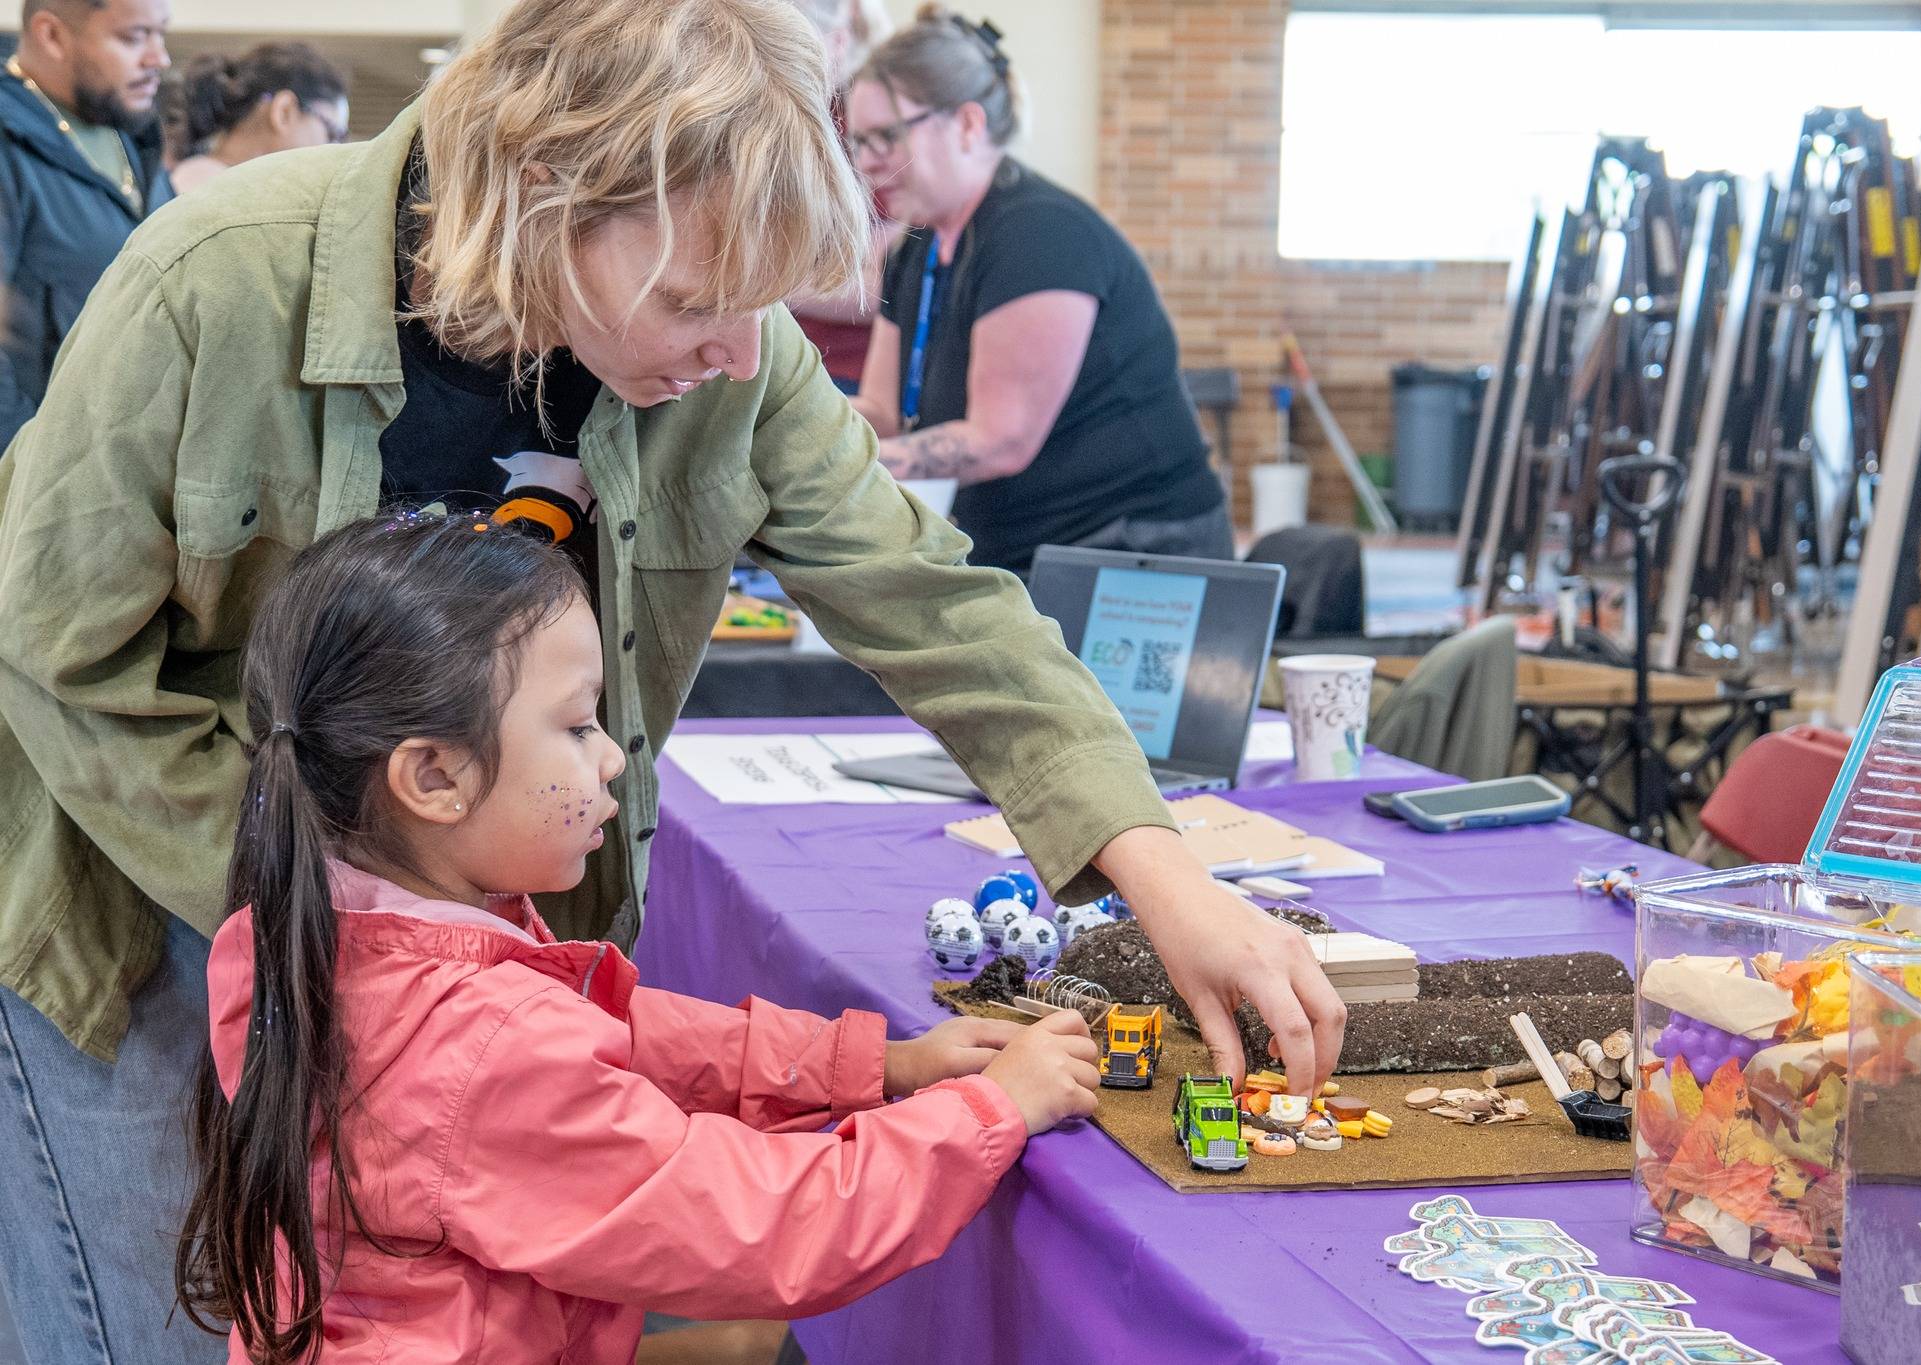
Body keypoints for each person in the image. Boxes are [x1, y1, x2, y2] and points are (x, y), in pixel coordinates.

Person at [0, 1, 1342, 1357]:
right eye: (700, 300)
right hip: (146, 904)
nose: (742, 357)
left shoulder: (725, 355)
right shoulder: (217, 279)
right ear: (540, 194)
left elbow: (936, 599)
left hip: (435, 950)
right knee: (176, 1319)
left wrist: (1163, 874)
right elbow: (54, 650)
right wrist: (330, 913)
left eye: (767, 303)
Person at [175, 515, 1098, 1361]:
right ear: (433, 776)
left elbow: (620, 1035)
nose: (613, 755)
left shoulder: (321, 928)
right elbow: (763, 1225)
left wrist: (870, 1067)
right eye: (577, 726)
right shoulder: (486, 1049)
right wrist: (991, 1113)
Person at [846, 8, 1231, 576]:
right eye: (857, 142)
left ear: (968, 125)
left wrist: (824, 462)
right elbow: (882, 411)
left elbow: (1000, 442)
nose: (870, 161)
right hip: (1028, 548)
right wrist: (787, 428)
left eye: (887, 136)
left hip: (1136, 553)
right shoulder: (919, 246)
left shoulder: (1039, 234)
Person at [0, 0, 174, 451]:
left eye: (161, 34)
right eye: (134, 37)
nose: (160, 58)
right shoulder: (10, 146)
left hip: (128, 464)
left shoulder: (134, 138)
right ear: (52, 35)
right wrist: (25, 471)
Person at [785, 0, 893, 393]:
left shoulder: (867, 126)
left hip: (845, 370)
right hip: (776, 354)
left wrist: (763, 288)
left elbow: (884, 287)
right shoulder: (776, 117)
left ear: (838, 43)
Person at [167, 41, 349, 194]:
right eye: (332, 133)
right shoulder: (209, 188)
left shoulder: (201, 178)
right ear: (283, 112)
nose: (335, 150)